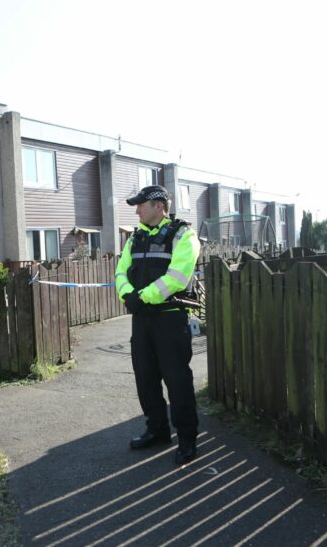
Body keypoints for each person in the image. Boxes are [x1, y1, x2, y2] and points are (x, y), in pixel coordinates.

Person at [115, 185, 201, 465]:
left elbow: (177, 276)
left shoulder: (183, 235)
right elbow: (120, 272)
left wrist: (142, 297)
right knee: (145, 377)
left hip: (170, 318)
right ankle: (157, 430)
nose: (137, 209)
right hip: (142, 320)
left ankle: (187, 438)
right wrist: (127, 294)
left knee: (177, 381)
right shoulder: (134, 238)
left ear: (159, 206)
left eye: (141, 204)